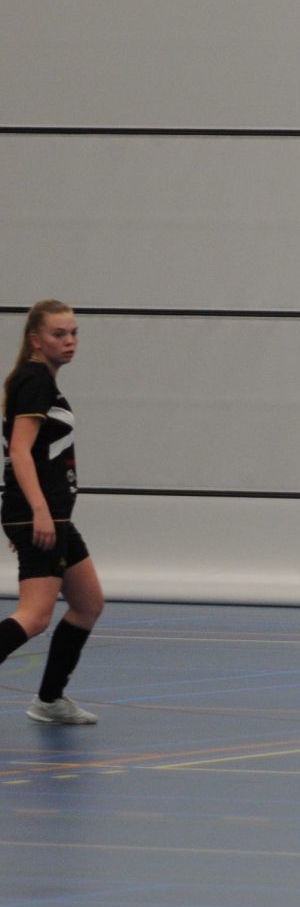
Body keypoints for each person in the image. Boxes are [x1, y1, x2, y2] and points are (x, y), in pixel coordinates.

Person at [0, 302, 105, 723]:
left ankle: (48, 700)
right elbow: (19, 451)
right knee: (35, 615)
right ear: (35, 340)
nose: (69, 341)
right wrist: (37, 511)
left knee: (88, 603)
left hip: (53, 516)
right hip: (43, 514)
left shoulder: (38, 381)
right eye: (59, 334)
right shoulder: (35, 380)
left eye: (73, 333)